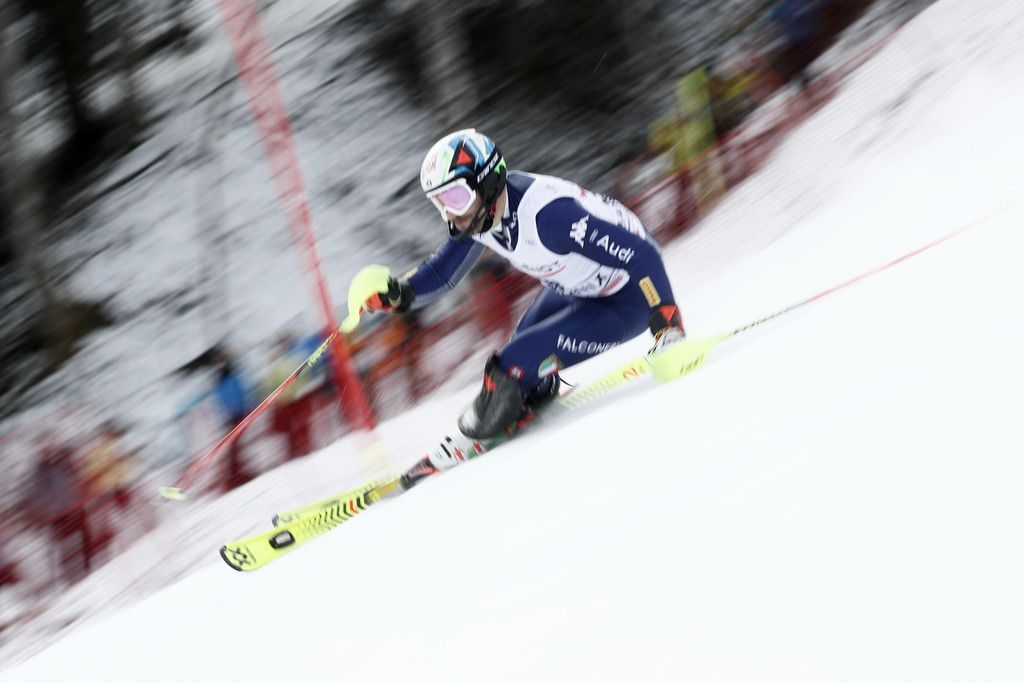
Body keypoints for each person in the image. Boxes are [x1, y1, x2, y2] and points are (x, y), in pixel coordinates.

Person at [359, 129, 685, 465]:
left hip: (628, 297)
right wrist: (398, 294)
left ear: (487, 181)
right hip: (578, 290)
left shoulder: (549, 218)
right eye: (440, 203)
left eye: (455, 198)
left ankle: (493, 418)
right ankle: (533, 393)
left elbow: (643, 255)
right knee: (519, 352)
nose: (451, 215)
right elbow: (441, 272)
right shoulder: (483, 215)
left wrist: (669, 328)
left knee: (509, 367)